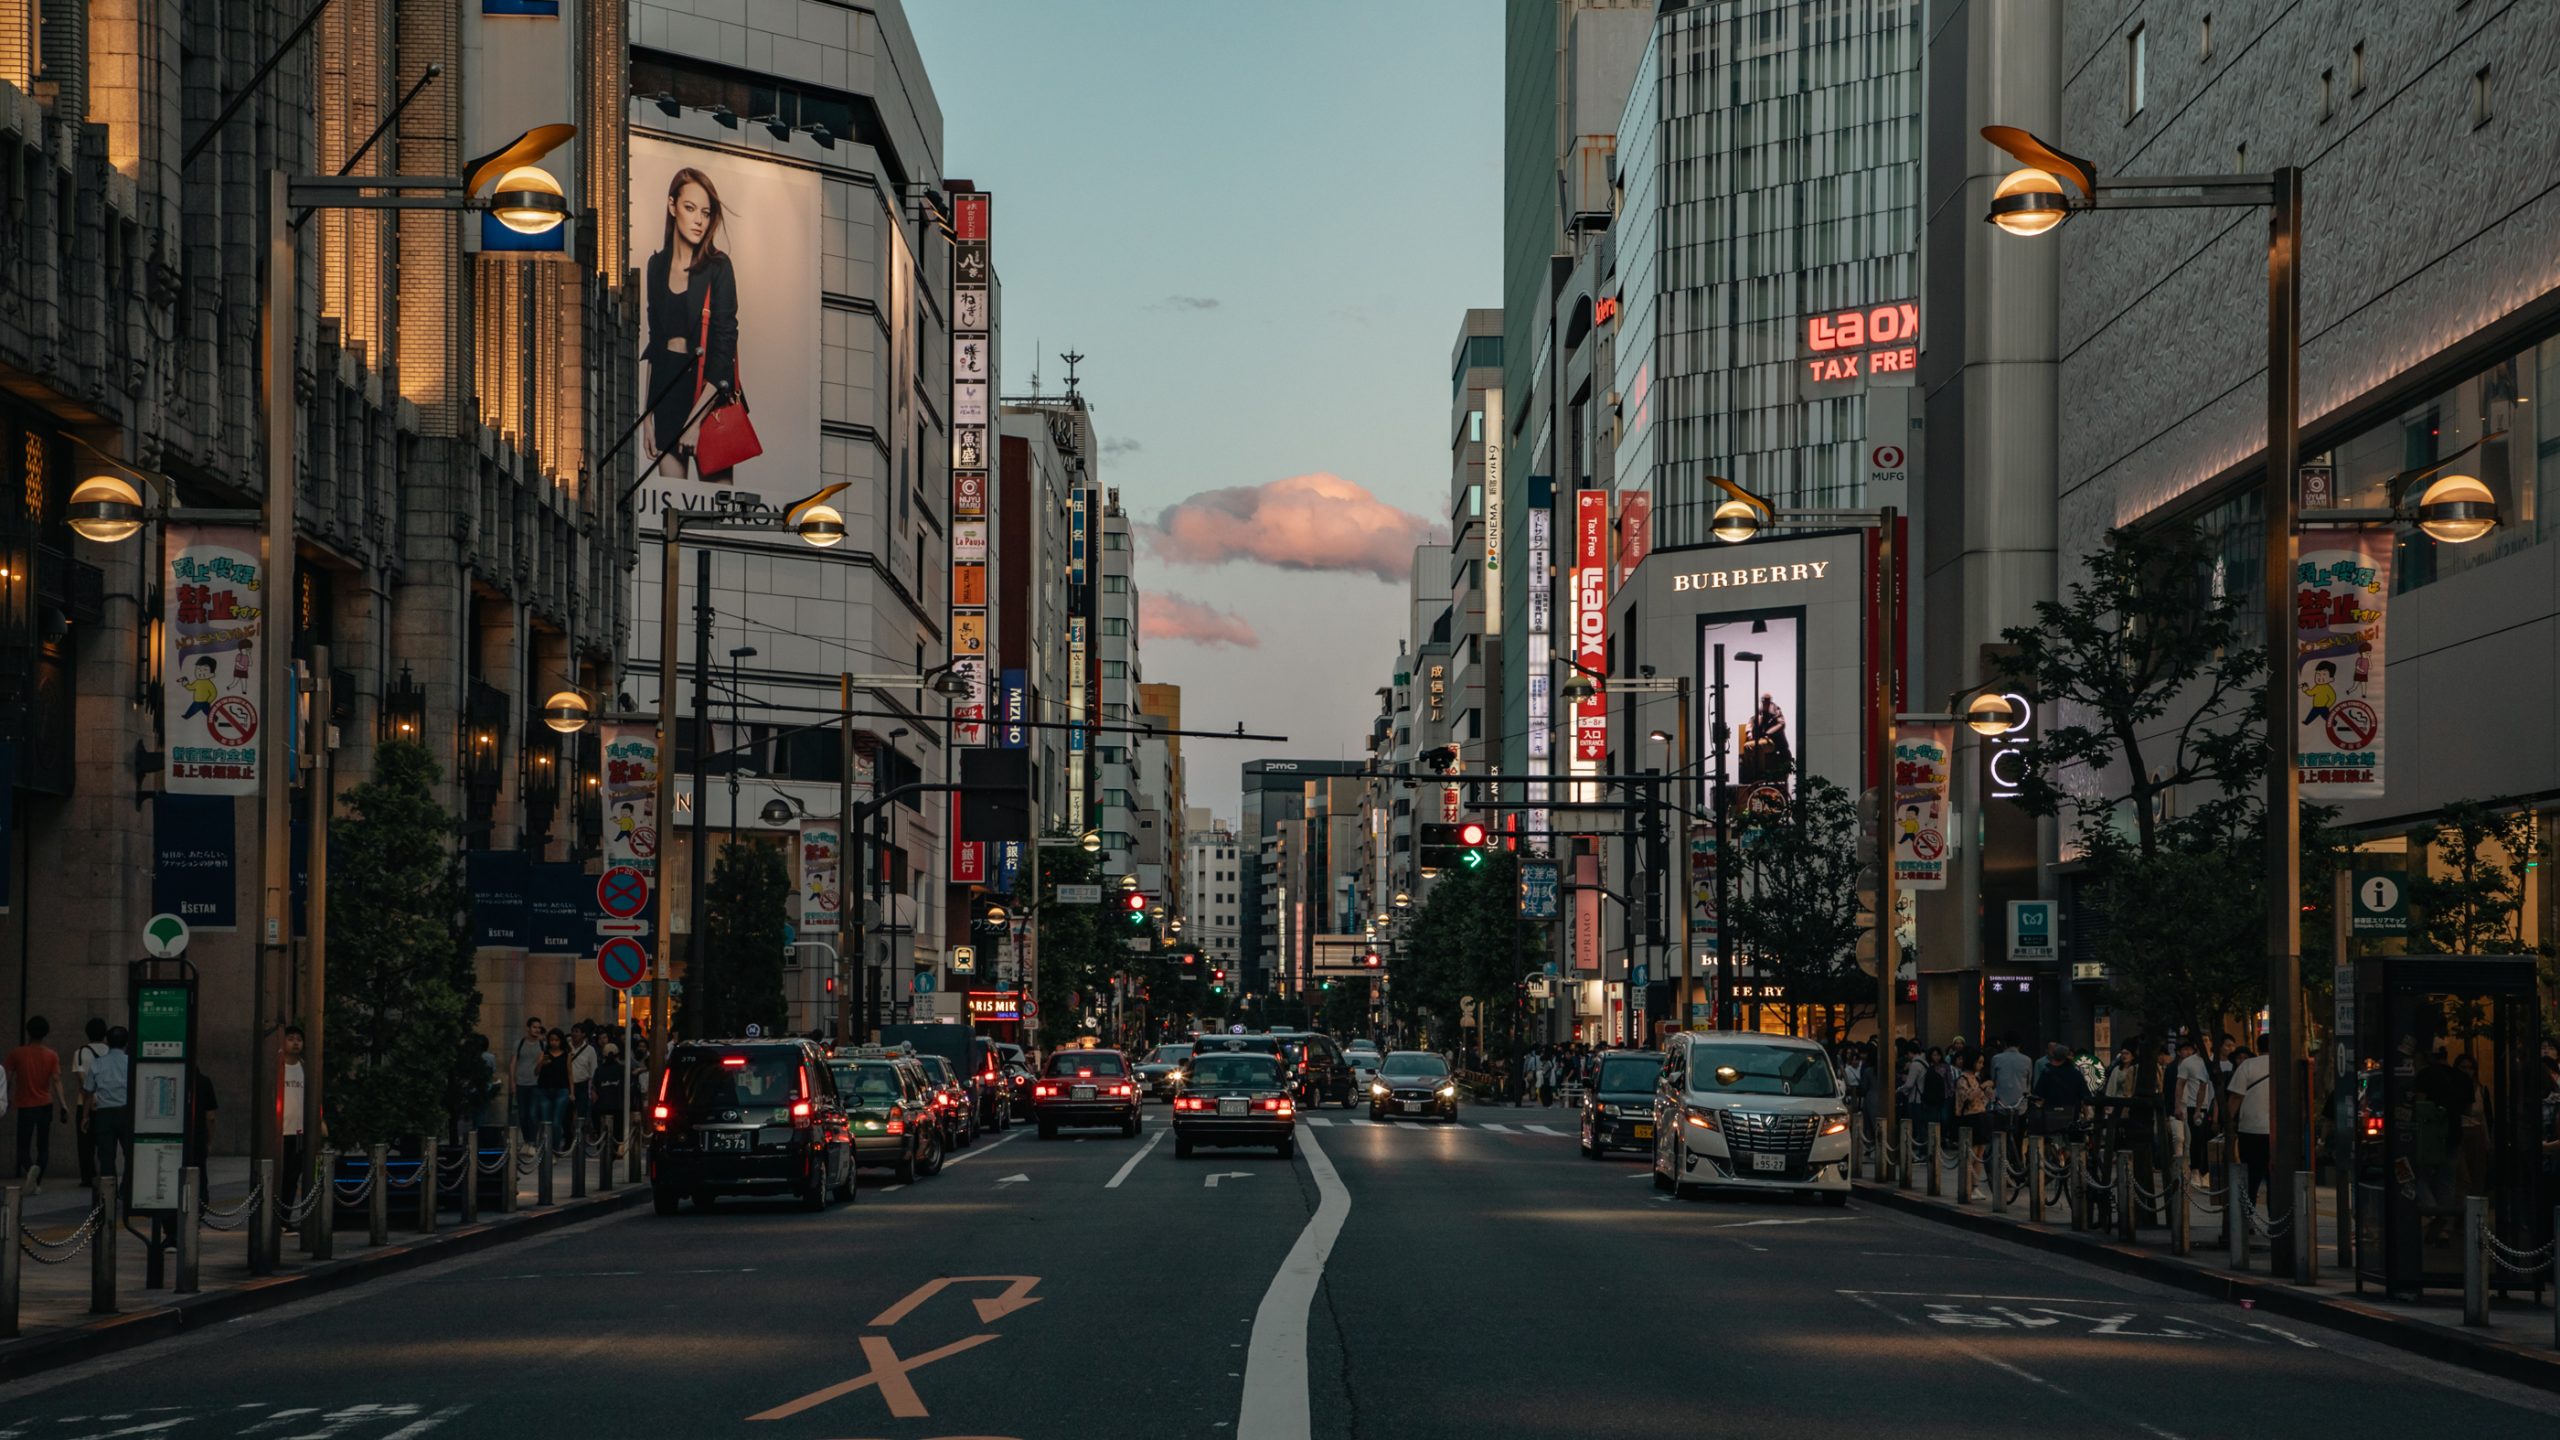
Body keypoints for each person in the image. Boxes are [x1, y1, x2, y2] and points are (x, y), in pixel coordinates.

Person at [642, 166, 741, 484]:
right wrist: (647, 417)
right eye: (689, 208)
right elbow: (654, 344)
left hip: (707, 396)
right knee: (672, 517)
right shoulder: (655, 266)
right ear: (672, 206)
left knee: (717, 515)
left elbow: (725, 347)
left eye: (706, 212)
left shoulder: (718, 266)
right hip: (667, 394)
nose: (699, 219)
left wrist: (696, 421)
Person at [6, 1017, 68, 1192]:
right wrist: (64, 1105)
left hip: (25, 1105)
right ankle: (37, 1181)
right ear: (45, 1033)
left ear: (28, 1031)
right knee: (43, 1145)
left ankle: (30, 1168)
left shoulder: (17, 1053)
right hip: (45, 1104)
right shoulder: (51, 1055)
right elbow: (57, 1081)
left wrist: (6, 1097)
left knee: (23, 1146)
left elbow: (8, 1078)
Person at [85, 1026, 132, 1184]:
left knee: (106, 1156)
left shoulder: (98, 1063)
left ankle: (108, 1193)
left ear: (107, 1041)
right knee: (130, 1153)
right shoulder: (131, 1063)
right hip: (127, 1112)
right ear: (127, 1042)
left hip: (104, 1113)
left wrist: (85, 1116)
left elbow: (89, 1091)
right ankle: (126, 1188)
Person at [71, 1018, 107, 1186]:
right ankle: (105, 1174)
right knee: (104, 1141)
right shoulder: (110, 1051)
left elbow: (81, 1079)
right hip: (106, 1103)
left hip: (83, 1102)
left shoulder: (80, 1053)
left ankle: (87, 1177)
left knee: (85, 1144)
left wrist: (89, 1097)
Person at [2172, 1036, 2216, 1175]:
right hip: (2193, 1105)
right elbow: (2180, 1084)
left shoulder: (2216, 1060)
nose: (2204, 1043)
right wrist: (2177, 1105)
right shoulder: (2188, 1063)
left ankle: (2207, 1171)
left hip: (2213, 1105)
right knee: (2196, 1139)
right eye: (2201, 1040)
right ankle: (2196, 1169)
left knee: (2210, 1138)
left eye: (2207, 1040)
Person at [280, 1024, 309, 1217]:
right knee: (278, 1176)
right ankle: (275, 1218)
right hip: (278, 1132)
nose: (295, 1043)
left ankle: (285, 1218)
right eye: (291, 1038)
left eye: (299, 1039)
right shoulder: (276, 1066)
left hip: (298, 1131)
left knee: (292, 1177)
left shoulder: (305, 1068)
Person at [2031, 1042, 2090, 1137]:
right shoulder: (2076, 1074)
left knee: (2050, 1142)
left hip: (2050, 1117)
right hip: (2071, 1116)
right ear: (2067, 1057)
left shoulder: (2047, 1072)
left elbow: (2039, 1097)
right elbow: (2084, 1097)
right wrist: (2087, 1116)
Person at [1988, 1036, 2032, 1142]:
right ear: (2019, 1045)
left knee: (2000, 1136)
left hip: (2001, 1103)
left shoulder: (1996, 1058)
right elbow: (2028, 1082)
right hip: (2020, 1104)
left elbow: (1993, 1079)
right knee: (2019, 1138)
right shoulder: (2027, 1060)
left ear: (2005, 1044)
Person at [534, 1030, 574, 1146]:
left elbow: (570, 1074)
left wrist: (572, 1092)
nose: (554, 1043)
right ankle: (548, 1147)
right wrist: (542, 1063)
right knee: (546, 1122)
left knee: (556, 1122)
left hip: (561, 1090)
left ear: (561, 1041)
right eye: (551, 1040)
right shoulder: (544, 1054)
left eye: (556, 1040)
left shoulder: (566, 1055)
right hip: (545, 1090)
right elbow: (536, 1072)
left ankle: (555, 1147)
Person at [510, 1017, 546, 1132]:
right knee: (522, 1115)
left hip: (536, 1083)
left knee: (533, 1114)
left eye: (539, 1028)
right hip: (521, 1083)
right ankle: (527, 1139)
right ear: (528, 1028)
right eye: (534, 1027)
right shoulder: (519, 1043)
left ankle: (532, 1141)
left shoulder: (542, 1045)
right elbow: (513, 1063)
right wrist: (512, 1082)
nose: (537, 1030)